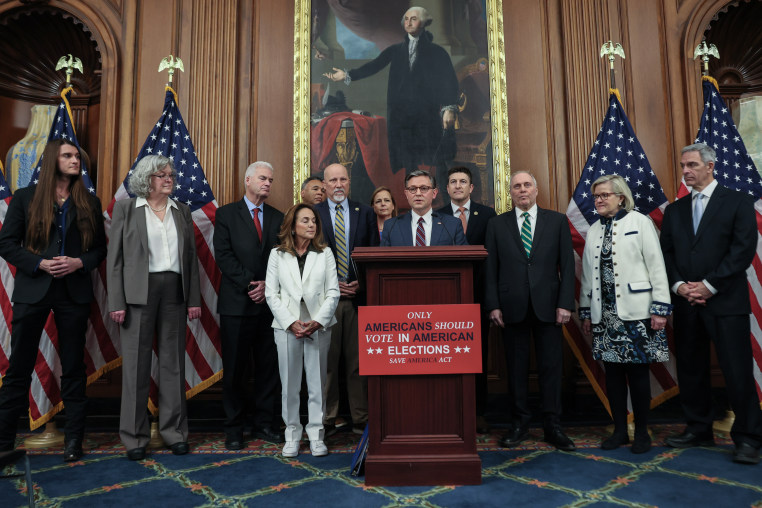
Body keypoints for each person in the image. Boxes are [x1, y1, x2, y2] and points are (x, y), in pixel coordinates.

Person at [0, 139, 106, 462]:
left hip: (72, 293)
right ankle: (3, 442)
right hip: (34, 289)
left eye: (78, 157)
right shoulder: (25, 198)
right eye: (69, 156)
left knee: (74, 368)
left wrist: (78, 263)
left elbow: (99, 250)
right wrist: (39, 263)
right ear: (52, 160)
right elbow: (6, 243)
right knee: (19, 368)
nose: (76, 161)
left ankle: (74, 441)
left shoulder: (89, 201)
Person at [660, 143, 762, 464]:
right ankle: (698, 429)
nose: (686, 171)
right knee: (691, 369)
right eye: (682, 166)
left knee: (737, 370)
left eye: (691, 165)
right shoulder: (675, 210)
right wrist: (680, 286)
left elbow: (742, 250)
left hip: (726, 302)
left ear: (710, 166)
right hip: (687, 303)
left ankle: (748, 438)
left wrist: (708, 285)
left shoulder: (737, 202)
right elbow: (668, 254)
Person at [107, 155, 201, 460]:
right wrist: (117, 301)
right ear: (147, 179)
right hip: (137, 295)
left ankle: (174, 432)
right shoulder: (126, 209)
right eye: (162, 175)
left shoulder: (182, 211)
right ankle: (134, 438)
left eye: (170, 174)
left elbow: (191, 260)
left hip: (174, 291)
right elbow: (115, 261)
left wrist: (194, 300)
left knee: (174, 364)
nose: (169, 179)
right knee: (136, 367)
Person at [579, 174, 671, 454]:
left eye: (604, 195)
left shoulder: (640, 222)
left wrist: (660, 308)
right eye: (596, 196)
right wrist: (585, 311)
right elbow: (586, 274)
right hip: (605, 316)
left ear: (621, 197)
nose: (599, 200)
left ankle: (642, 432)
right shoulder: (593, 229)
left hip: (638, 314)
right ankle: (620, 429)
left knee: (639, 375)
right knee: (615, 377)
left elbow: (656, 266)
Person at [484, 170, 575, 451]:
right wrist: (494, 305)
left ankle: (552, 426)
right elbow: (490, 270)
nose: (522, 190)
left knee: (551, 368)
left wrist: (564, 303)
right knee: (516, 369)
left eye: (527, 185)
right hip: (511, 308)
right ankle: (519, 423)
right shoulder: (497, 225)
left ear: (536, 190)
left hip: (549, 307)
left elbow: (568, 267)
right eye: (516, 187)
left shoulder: (557, 221)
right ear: (510, 193)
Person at [323, 6, 458, 178]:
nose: (408, 22)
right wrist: (347, 74)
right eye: (406, 19)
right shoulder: (396, 50)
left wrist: (449, 108)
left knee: (437, 161)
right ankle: (412, 195)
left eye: (414, 19)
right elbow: (374, 66)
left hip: (427, 115)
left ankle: (442, 201)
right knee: (409, 162)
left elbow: (448, 81)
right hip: (402, 117)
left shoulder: (437, 52)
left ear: (424, 23)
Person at [214, 161, 285, 450]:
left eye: (270, 179)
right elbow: (224, 256)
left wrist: (268, 285)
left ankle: (265, 423)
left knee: (269, 369)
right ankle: (235, 428)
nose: (267, 183)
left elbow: (283, 257)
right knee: (234, 370)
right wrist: (250, 284)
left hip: (270, 305)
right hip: (236, 305)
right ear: (247, 180)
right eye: (262, 178)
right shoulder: (226, 214)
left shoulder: (278, 217)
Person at [265, 204, 340, 457]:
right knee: (290, 385)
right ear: (292, 225)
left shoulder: (325, 253)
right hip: (287, 327)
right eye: (305, 220)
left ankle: (317, 435)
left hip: (318, 326)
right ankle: (292, 435)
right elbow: (271, 294)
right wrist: (290, 322)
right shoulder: (277, 254)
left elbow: (333, 292)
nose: (311, 225)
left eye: (314, 221)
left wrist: (318, 321)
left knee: (317, 384)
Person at [315, 163, 376, 436]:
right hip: (325, 300)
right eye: (332, 180)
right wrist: (332, 286)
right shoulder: (312, 215)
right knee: (327, 363)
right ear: (324, 185)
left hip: (357, 298)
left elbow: (374, 255)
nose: (338, 185)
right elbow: (305, 257)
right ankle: (327, 418)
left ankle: (360, 418)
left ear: (349, 183)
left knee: (358, 363)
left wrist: (361, 284)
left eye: (343, 179)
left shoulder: (365, 213)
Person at [437, 166, 496, 433]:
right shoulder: (436, 216)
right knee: (446, 358)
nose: (458, 186)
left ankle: (480, 412)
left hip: (479, 296)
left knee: (477, 358)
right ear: (447, 188)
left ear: (471, 188)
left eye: (463, 182)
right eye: (453, 182)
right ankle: (448, 411)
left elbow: (493, 260)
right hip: (446, 299)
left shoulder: (487, 215)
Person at [381, 170, 466, 246]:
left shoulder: (452, 225)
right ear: (406, 194)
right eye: (413, 189)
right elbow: (382, 260)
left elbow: (465, 258)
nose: (418, 193)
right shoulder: (391, 226)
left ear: (434, 193)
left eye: (424, 188)